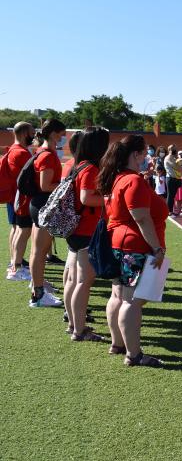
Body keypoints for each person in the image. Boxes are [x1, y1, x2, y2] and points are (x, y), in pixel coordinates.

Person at [98, 135, 168, 367]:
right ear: (136, 154)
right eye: (145, 152)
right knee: (132, 301)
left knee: (118, 296)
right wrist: (157, 247)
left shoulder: (117, 178)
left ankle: (118, 344)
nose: (147, 157)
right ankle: (134, 354)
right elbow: (141, 218)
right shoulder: (132, 181)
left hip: (120, 243)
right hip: (134, 246)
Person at [63, 126, 110, 341]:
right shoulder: (90, 168)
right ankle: (79, 330)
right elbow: (86, 198)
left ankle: (74, 324)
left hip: (76, 229)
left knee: (73, 280)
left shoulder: (78, 165)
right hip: (86, 230)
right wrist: (111, 200)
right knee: (82, 282)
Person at [26, 119, 66, 308]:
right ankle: (38, 294)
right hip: (43, 205)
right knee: (40, 252)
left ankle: (37, 288)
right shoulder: (47, 155)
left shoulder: (42, 152)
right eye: (61, 134)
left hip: (40, 205)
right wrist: (67, 185)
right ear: (52, 134)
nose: (63, 137)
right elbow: (45, 185)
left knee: (38, 251)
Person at [4, 122, 35, 282]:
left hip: (15, 197)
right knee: (23, 231)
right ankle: (17, 266)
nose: (34, 136)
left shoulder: (13, 150)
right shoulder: (21, 153)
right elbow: (28, 178)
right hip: (22, 198)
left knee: (17, 229)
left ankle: (14, 264)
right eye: (32, 133)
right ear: (24, 134)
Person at [164, 145, 182, 216]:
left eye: (175, 149)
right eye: (173, 149)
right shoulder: (168, 157)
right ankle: (169, 211)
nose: (175, 150)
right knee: (170, 195)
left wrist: (178, 160)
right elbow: (176, 166)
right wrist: (179, 161)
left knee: (173, 195)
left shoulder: (174, 157)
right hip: (170, 178)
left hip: (176, 178)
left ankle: (170, 210)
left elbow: (179, 166)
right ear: (169, 150)